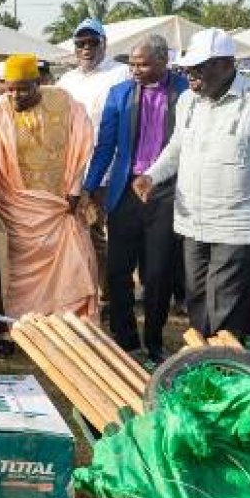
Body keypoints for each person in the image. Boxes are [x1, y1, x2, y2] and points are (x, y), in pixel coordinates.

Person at [133, 28, 250, 338]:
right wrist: (151, 175)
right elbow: (177, 147)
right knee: (197, 302)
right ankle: (204, 364)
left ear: (225, 64)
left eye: (199, 68)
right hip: (193, 223)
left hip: (238, 225)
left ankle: (221, 371)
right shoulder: (188, 102)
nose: (190, 75)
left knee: (223, 306)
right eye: (188, 68)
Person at [79, 35, 188, 363]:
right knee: (116, 270)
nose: (135, 70)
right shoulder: (120, 94)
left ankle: (154, 340)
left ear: (163, 62)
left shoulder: (185, 92)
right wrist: (88, 187)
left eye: (143, 64)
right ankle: (125, 339)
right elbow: (106, 147)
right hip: (125, 191)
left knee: (157, 274)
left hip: (166, 191)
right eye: (132, 64)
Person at [0, 53, 97, 320]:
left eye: (23, 89)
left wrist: (75, 191)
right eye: (9, 89)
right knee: (18, 272)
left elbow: (80, 146)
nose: (15, 96)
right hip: (16, 209)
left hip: (60, 207)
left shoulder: (64, 103)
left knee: (70, 263)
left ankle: (66, 320)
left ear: (38, 83)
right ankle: (27, 324)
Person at [57, 18, 131, 310]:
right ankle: (86, 289)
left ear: (104, 43)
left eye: (92, 42)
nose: (86, 48)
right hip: (74, 169)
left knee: (99, 233)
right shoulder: (67, 81)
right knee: (80, 231)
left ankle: (108, 292)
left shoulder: (121, 73)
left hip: (110, 170)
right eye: (80, 43)